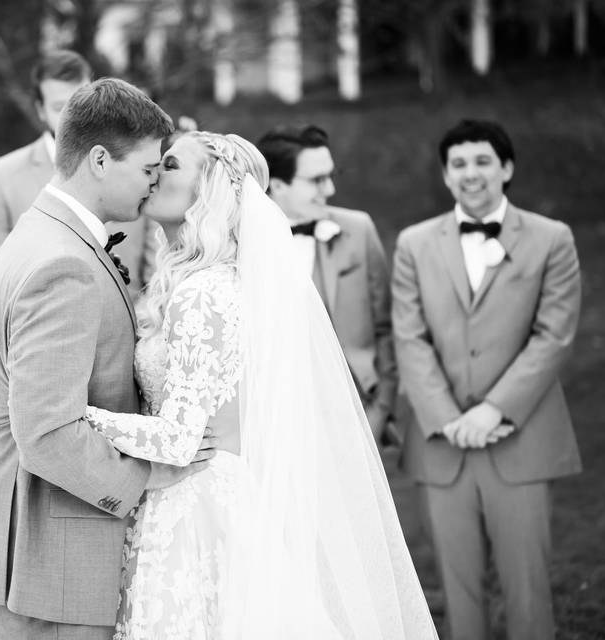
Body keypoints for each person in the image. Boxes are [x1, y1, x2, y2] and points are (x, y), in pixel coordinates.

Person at [82, 130, 438, 638]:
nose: (155, 173)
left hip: (196, 507)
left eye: (172, 165)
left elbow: (180, 439)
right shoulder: (209, 281)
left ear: (210, 192)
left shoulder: (203, 293)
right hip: (200, 495)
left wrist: (78, 416)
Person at [0, 78, 210, 640]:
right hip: (49, 541)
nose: (153, 183)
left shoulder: (51, 234)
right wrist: (151, 481)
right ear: (98, 159)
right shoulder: (62, 265)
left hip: (47, 537)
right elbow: (46, 431)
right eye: (146, 169)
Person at [392, 119, 581, 640]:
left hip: (519, 438)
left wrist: (492, 411)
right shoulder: (414, 243)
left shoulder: (551, 239)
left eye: (482, 162)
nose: (470, 174)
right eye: (458, 164)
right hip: (443, 443)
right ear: (446, 176)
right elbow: (410, 338)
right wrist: (449, 419)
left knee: (528, 588)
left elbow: (553, 336)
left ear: (507, 168)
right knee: (458, 591)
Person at [0, 49, 160, 296]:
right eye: (61, 107)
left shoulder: (138, 167)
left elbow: (157, 275)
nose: (76, 117)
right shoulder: (0, 178)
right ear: (40, 109)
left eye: (81, 103)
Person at [257, 124, 396, 442]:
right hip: (273, 423)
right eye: (316, 180)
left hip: (352, 417)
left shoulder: (358, 230)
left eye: (330, 176)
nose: (330, 189)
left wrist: (379, 412)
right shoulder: (240, 243)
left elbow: (385, 329)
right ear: (277, 184)